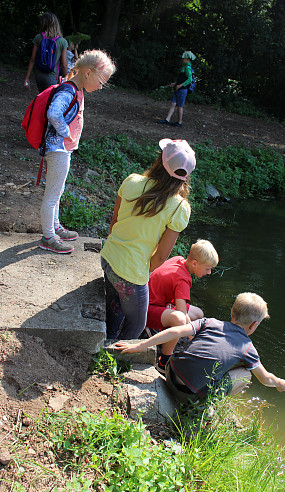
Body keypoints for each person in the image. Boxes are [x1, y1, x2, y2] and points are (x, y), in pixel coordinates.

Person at [116, 292, 285, 405]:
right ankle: (206, 406)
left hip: (171, 374)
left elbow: (175, 330)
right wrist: (279, 383)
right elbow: (265, 378)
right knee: (245, 373)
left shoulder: (209, 322)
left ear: (232, 312)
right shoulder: (247, 348)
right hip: (188, 396)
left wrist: (138, 345)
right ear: (254, 325)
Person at [101, 138, 196, 343]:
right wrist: (140, 272)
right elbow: (161, 256)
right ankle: (113, 356)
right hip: (132, 275)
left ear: (160, 161)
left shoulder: (132, 181)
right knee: (137, 324)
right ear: (186, 176)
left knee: (116, 304)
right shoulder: (179, 207)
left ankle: (107, 338)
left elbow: (113, 225)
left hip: (108, 258)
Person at [39, 50, 116, 254]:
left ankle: (55, 227)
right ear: (89, 73)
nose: (101, 87)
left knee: (58, 191)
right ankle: (48, 237)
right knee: (52, 195)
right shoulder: (69, 91)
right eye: (101, 81)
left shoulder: (77, 88)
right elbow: (54, 113)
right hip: (58, 149)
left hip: (62, 149)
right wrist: (66, 133)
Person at [146, 239, 219, 374]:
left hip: (155, 302)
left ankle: (164, 337)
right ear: (195, 263)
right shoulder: (183, 280)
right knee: (179, 320)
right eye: (207, 269)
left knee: (198, 314)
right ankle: (163, 361)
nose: (209, 273)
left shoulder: (179, 260)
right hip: (146, 309)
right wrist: (196, 340)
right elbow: (181, 315)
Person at [24, 12, 69, 93]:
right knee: (49, 102)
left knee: (41, 98)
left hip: (39, 75)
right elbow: (64, 64)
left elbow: (32, 60)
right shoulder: (62, 41)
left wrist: (27, 78)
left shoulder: (38, 38)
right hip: (51, 77)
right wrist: (67, 79)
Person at [157, 51, 196, 128]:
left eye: (183, 58)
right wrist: (175, 84)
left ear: (187, 59)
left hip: (182, 90)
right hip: (179, 89)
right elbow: (182, 78)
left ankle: (179, 122)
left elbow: (189, 79)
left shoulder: (187, 68)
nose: (182, 59)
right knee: (173, 103)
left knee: (180, 106)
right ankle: (167, 119)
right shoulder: (184, 67)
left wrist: (180, 85)